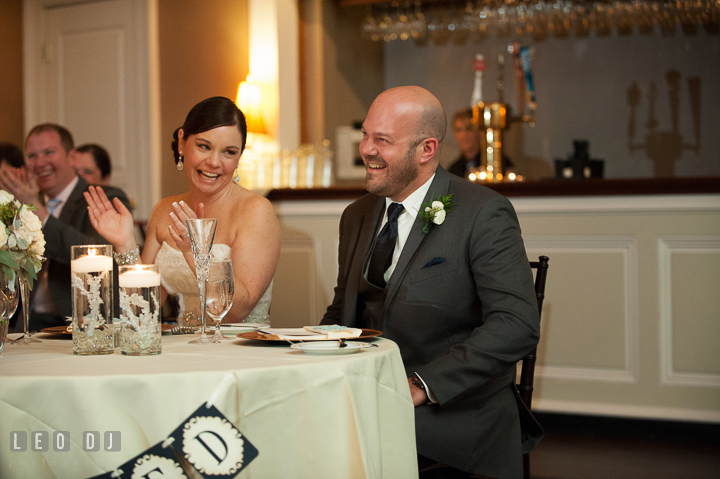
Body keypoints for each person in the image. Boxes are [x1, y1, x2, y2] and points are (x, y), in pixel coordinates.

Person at [321, 86, 542, 478]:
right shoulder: (356, 216)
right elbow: (342, 312)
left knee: (339, 445)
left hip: (453, 408)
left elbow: (516, 325)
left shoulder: (483, 213)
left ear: (426, 149)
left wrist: (421, 385)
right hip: (368, 394)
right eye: (366, 135)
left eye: (382, 140)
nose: (366, 149)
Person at [85, 96, 280, 325]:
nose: (214, 162)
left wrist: (195, 252)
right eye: (204, 146)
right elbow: (144, 307)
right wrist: (125, 243)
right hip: (180, 349)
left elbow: (237, 312)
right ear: (181, 143)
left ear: (239, 157)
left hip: (237, 348)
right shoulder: (165, 210)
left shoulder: (256, 211)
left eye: (228, 152)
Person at [0, 124, 131, 330]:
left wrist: (38, 211)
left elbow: (97, 256)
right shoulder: (24, 201)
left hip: (77, 322)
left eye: (48, 152)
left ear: (72, 157)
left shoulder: (103, 197)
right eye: (32, 156)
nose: (40, 162)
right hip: (26, 320)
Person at [447, 107, 483, 179]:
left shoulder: (497, 166)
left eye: (469, 128)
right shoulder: (453, 171)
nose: (464, 135)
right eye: (459, 130)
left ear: (479, 131)